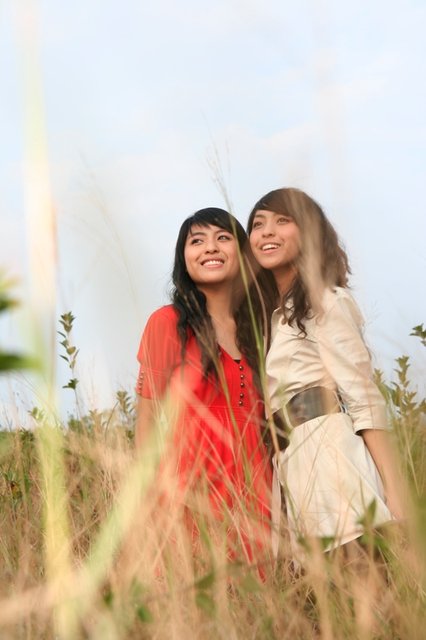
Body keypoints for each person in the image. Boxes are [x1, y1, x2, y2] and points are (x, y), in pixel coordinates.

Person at [246, 187, 405, 559]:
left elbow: (363, 398)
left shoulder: (325, 301)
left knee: (361, 578)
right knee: (322, 591)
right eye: (258, 224)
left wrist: (397, 495)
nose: (267, 231)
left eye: (282, 221)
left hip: (333, 462)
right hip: (293, 465)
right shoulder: (271, 317)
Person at [135, 207, 272, 563]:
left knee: (259, 591)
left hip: (257, 491)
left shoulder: (262, 329)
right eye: (197, 241)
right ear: (184, 258)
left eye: (223, 238)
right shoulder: (167, 323)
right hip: (189, 491)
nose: (210, 247)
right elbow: (146, 422)